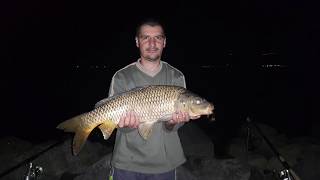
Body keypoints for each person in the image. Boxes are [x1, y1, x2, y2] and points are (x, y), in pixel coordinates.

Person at [105, 19, 199, 180]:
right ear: (137, 41)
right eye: (145, 37)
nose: (152, 43)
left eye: (158, 38)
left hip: (164, 163)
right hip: (126, 162)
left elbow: (174, 126)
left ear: (164, 42)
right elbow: (118, 126)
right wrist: (127, 126)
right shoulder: (121, 76)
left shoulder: (176, 76)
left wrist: (173, 122)